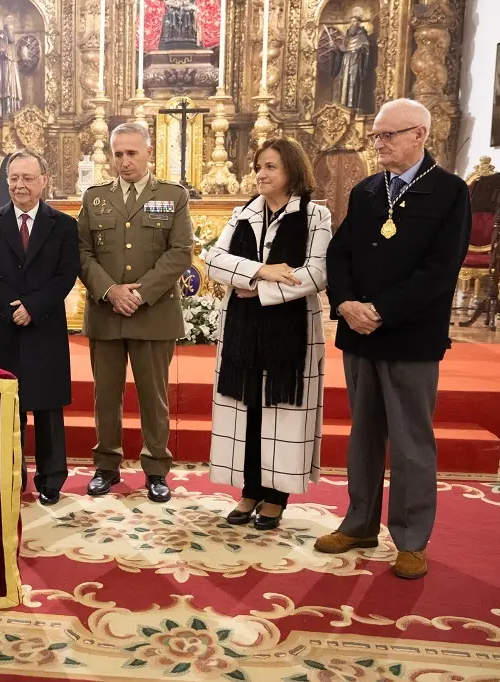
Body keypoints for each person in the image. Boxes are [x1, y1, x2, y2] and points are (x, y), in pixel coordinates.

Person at [317, 99, 471, 579]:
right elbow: (339, 254)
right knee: (363, 436)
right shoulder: (366, 191)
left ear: (419, 135)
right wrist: (343, 303)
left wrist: (381, 310)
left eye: (388, 135)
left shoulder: (449, 192)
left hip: (410, 338)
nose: (378, 144)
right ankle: (360, 521)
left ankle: (410, 538)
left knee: (410, 441)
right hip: (359, 335)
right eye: (377, 136)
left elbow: (440, 270)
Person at [204, 138, 332, 531]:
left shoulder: (315, 215)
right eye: (259, 166)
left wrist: (257, 289)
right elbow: (212, 258)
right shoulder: (243, 213)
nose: (261, 174)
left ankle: (276, 497)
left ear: (292, 171)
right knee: (249, 408)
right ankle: (250, 489)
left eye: (271, 167)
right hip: (244, 330)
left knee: (281, 407)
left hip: (289, 330)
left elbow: (317, 273)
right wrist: (263, 270)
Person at [77, 122, 193, 503]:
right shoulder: (94, 198)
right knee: (105, 395)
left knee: (153, 396)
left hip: (153, 313)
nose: (124, 161)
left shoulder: (172, 196)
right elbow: (82, 253)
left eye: (132, 153)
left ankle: (157, 468)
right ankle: (106, 465)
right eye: (118, 154)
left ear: (149, 153)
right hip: (107, 312)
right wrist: (110, 291)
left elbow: (180, 252)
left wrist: (138, 295)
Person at [0, 150, 80, 506]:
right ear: (7, 182)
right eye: (14, 178)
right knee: (8, 404)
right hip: (3, 326)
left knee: (47, 406)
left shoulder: (64, 225)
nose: (20, 185)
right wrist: (11, 308)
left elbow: (66, 274)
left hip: (44, 323)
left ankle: (51, 479)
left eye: (28, 178)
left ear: (43, 180)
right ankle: (11, 474)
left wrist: (33, 307)